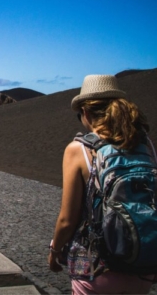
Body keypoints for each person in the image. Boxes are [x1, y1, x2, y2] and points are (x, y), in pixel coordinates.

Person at [48, 74, 156, 294]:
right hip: (143, 264)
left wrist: (55, 249)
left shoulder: (79, 150)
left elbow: (67, 219)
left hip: (96, 267)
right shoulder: (146, 145)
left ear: (86, 112)